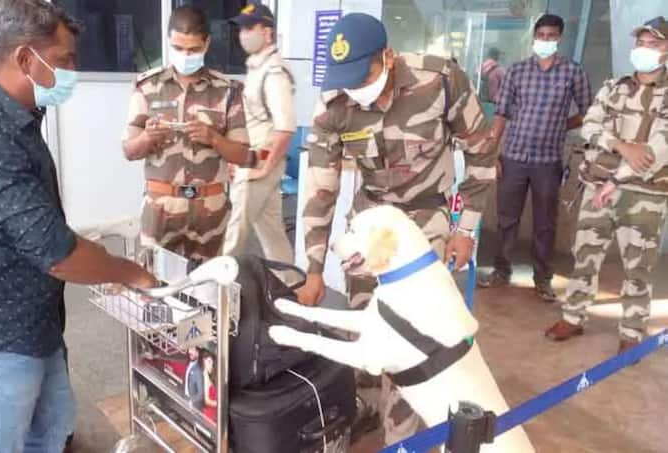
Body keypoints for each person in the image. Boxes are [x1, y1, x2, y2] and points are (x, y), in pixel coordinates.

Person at [0, 2, 157, 452]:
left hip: (30, 328)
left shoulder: (11, 114)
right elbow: (57, 251)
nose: (72, 72)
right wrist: (130, 273)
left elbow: (39, 228)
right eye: (65, 60)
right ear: (27, 59)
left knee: (52, 431)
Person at [294, 13, 497, 446]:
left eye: (360, 76)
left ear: (387, 56)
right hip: (369, 225)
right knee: (365, 329)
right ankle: (367, 408)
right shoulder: (334, 103)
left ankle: (400, 441)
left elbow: (482, 155)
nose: (354, 89)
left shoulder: (440, 80)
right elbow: (320, 190)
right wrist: (313, 268)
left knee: (409, 341)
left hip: (427, 224)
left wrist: (466, 229)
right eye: (345, 79)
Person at [545, 16, 668, 353]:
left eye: (654, 44)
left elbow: (657, 153)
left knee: (638, 267)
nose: (644, 49)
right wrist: (621, 145)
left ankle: (632, 330)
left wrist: (617, 178)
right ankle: (573, 316)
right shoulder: (615, 86)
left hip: (644, 194)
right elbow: (590, 127)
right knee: (584, 256)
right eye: (641, 43)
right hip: (597, 185)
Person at [123, 5, 252, 263]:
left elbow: (243, 155)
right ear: (169, 42)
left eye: (193, 49)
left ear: (207, 44)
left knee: (207, 291)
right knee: (154, 288)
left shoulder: (227, 91)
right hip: (161, 207)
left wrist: (213, 138)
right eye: (178, 48)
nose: (185, 55)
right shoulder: (148, 87)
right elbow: (129, 151)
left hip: (210, 211)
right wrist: (147, 138)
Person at [479, 14, 592, 301]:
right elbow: (502, 113)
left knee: (545, 223)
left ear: (560, 38)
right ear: (534, 37)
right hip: (514, 155)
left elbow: (589, 111)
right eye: (541, 35)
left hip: (548, 160)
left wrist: (563, 125)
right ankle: (500, 271)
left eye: (551, 36)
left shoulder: (572, 72)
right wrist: (494, 152)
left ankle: (542, 278)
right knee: (507, 218)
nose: (545, 40)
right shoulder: (516, 71)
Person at [223, 2, 295, 271]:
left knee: (233, 234)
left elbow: (285, 128)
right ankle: (289, 285)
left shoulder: (274, 73)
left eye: (249, 27)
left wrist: (262, 165)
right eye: (241, 28)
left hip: (258, 165)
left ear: (268, 33)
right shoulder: (257, 68)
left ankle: (210, 293)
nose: (243, 34)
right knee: (272, 232)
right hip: (252, 161)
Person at [202, 351, 217, 422]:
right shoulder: (206, 375)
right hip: (211, 415)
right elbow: (207, 401)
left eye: (210, 361)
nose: (209, 364)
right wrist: (219, 404)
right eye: (207, 362)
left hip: (217, 414)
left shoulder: (216, 374)